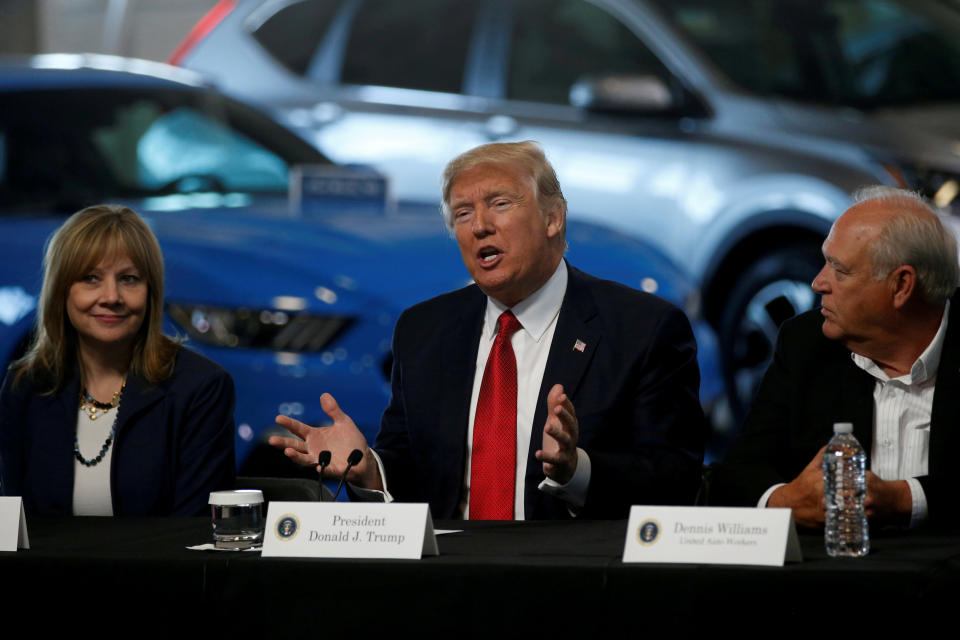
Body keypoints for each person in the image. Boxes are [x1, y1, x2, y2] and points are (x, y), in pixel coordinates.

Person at [270, 141, 705, 519]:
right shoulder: (424, 330)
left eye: (500, 204)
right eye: (463, 213)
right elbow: (410, 473)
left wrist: (578, 470)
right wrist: (369, 470)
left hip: (574, 579)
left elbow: (675, 480)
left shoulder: (641, 329)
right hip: (447, 574)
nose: (479, 226)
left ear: (553, 218)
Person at [710, 186, 960, 529]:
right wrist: (785, 502)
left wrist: (904, 499)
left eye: (839, 271)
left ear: (902, 285)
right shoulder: (805, 343)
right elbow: (736, 474)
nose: (817, 283)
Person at [0, 204, 236, 516]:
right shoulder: (26, 386)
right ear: (61, 292)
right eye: (91, 278)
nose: (111, 297)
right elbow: (12, 529)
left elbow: (194, 534)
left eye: (129, 279)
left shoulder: (201, 389)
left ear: (150, 292)